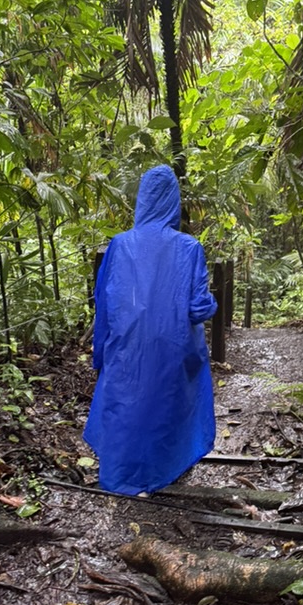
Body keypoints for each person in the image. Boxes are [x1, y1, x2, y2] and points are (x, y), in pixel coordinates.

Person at [83, 165, 218, 495]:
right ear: (174, 201)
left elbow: (105, 303)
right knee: (166, 406)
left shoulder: (119, 245)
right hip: (172, 345)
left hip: (126, 345)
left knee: (125, 405)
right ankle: (161, 472)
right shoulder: (189, 248)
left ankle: (121, 475)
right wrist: (210, 304)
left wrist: (100, 353)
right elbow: (198, 308)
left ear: (141, 200)